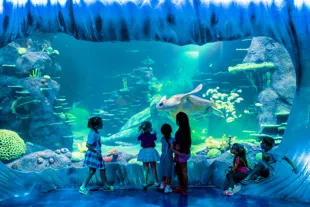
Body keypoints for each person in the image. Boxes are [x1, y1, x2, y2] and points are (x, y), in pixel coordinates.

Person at [79, 117, 115, 195]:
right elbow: (88, 145)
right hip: (93, 154)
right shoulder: (92, 134)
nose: (102, 124)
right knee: (92, 171)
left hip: (97, 154)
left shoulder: (95, 132)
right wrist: (96, 150)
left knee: (102, 169)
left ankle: (105, 186)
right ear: (95, 125)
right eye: (101, 123)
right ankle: (82, 187)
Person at [137, 121, 160, 189]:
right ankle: (156, 181)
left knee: (145, 168)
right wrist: (155, 133)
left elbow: (138, 138)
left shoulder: (142, 136)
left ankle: (145, 182)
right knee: (154, 167)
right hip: (151, 151)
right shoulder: (151, 135)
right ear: (149, 128)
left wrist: (141, 132)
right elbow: (155, 138)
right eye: (151, 127)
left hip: (144, 152)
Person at [173, 112, 192, 196]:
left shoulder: (178, 133)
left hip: (181, 155)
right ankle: (182, 186)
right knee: (181, 170)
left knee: (183, 171)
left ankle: (185, 189)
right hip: (187, 153)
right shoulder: (187, 129)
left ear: (178, 121)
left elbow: (177, 146)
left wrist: (176, 155)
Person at [159, 124, 175, 194]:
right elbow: (172, 149)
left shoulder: (162, 139)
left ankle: (162, 185)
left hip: (162, 157)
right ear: (170, 131)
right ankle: (167, 187)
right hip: (168, 157)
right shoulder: (172, 139)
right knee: (169, 172)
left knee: (164, 170)